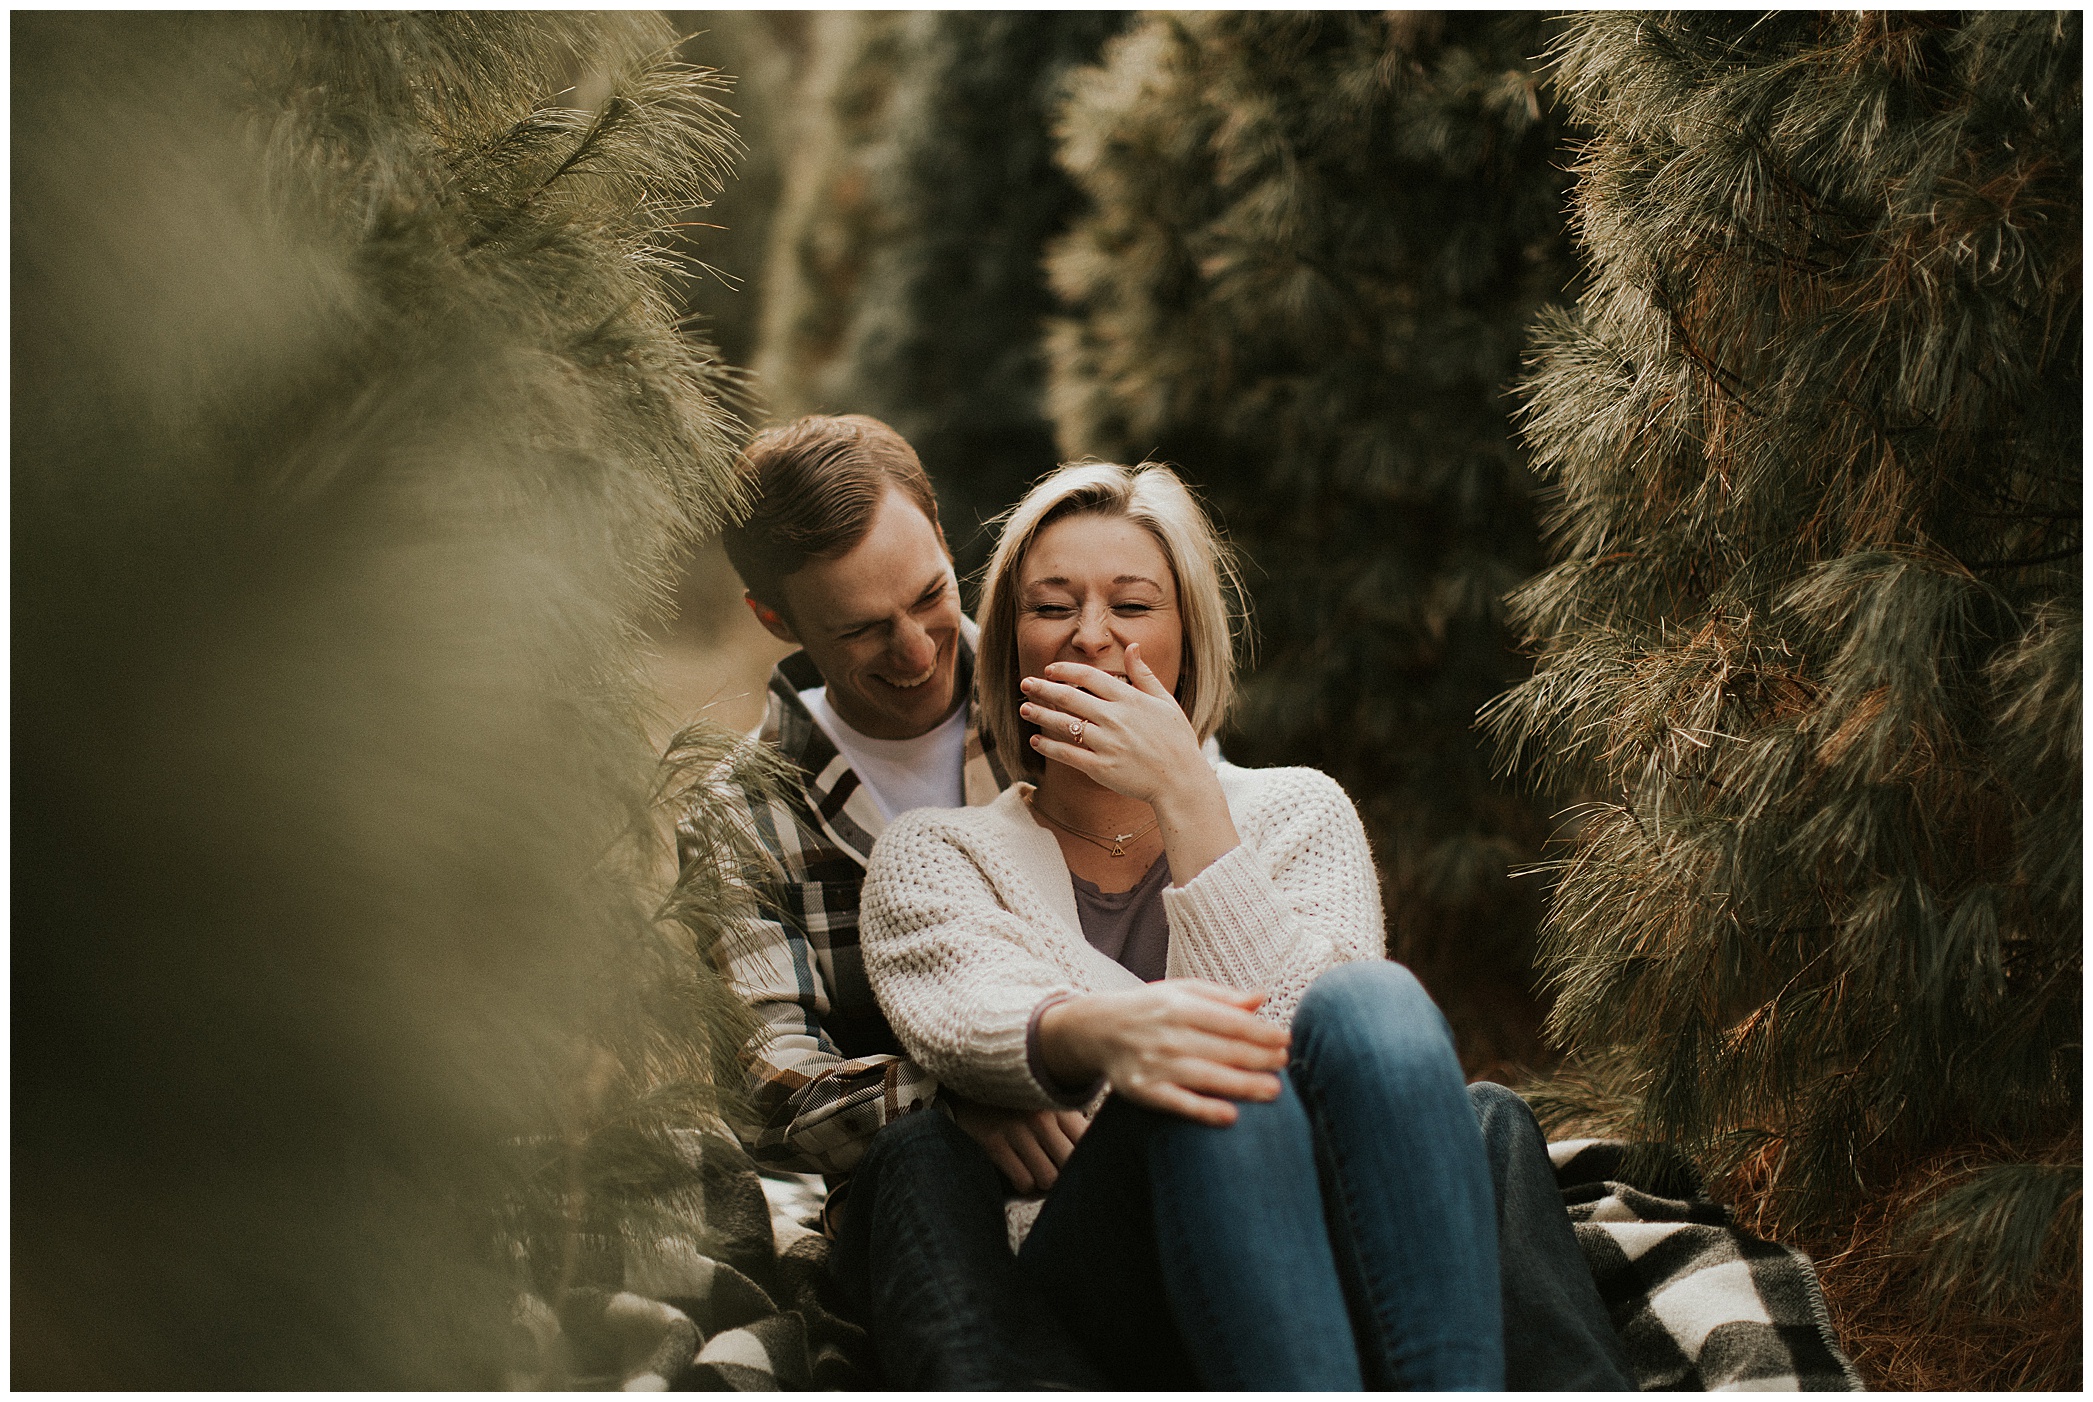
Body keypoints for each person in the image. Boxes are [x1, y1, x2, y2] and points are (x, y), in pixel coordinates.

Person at [860, 461, 1632, 1389]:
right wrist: (1122, 1038)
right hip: (1106, 1275)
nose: (1091, 637)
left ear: (1188, 635)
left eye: (1133, 606)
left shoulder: (1300, 811)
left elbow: (1321, 1045)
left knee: (1370, 997)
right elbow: (970, 1023)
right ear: (1010, 645)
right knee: (1205, 1077)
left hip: (1328, 1251)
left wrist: (1186, 797)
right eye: (1051, 607)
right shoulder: (937, 852)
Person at [681, 413, 1105, 1388]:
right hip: (904, 1202)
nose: (916, 649)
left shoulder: (1068, 702)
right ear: (774, 618)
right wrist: (950, 1102)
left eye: (928, 597)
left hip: (1107, 1161)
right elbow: (770, 1083)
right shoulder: (741, 817)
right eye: (863, 629)